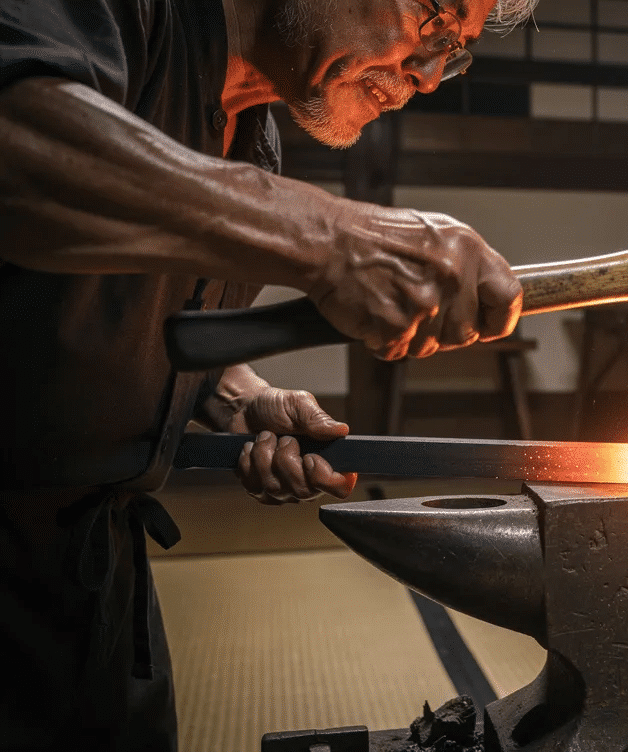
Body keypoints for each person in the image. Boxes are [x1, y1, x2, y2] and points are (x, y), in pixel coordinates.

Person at [0, 0, 537, 747]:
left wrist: (236, 397)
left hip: (96, 584)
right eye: (432, 17)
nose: (430, 73)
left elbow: (111, 313)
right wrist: (323, 232)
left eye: (455, 48)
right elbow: (18, 146)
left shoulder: (255, 145)